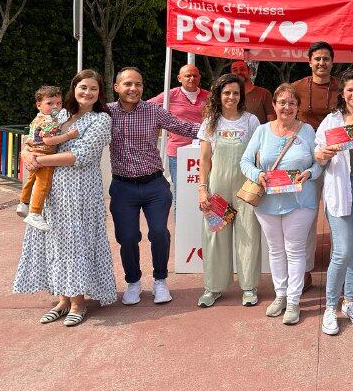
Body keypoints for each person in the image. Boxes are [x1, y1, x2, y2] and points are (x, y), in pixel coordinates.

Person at [14, 70, 116, 326]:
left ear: (100, 93)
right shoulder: (60, 114)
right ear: (74, 88)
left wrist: (39, 160)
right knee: (56, 242)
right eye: (83, 87)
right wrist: (26, 152)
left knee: (76, 243)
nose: (87, 92)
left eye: (93, 88)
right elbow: (34, 137)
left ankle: (78, 302)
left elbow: (80, 156)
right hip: (51, 191)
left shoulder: (101, 119)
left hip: (80, 191)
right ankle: (62, 300)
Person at [108, 67, 200, 306]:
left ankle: (160, 280)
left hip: (154, 186)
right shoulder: (106, 113)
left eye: (138, 84)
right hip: (123, 187)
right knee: (127, 237)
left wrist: (219, 129)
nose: (133, 89)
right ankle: (133, 282)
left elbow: (183, 127)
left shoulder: (153, 110)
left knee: (159, 232)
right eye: (128, 84)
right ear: (116, 87)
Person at [240, 83, 322, 325]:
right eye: (282, 102)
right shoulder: (262, 131)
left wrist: (309, 173)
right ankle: (280, 295)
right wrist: (257, 175)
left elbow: (319, 163)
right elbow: (245, 161)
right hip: (267, 201)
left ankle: (294, 300)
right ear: (274, 105)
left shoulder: (307, 131)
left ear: (298, 107)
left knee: (295, 250)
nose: (287, 107)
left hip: (300, 201)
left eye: (292, 103)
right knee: (275, 250)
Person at [315, 69, 353, 335]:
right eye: (349, 89)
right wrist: (323, 153)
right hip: (340, 188)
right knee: (342, 250)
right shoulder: (331, 120)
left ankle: (349, 302)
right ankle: (330, 307)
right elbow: (317, 154)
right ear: (342, 93)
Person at [196, 74, 262, 308]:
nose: (231, 97)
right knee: (215, 237)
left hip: (245, 188)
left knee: (248, 235)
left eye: (235, 93)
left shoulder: (251, 121)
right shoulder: (210, 122)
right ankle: (212, 287)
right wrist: (203, 189)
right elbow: (205, 160)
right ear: (218, 95)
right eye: (226, 93)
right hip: (218, 188)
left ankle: (249, 287)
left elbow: (257, 156)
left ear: (241, 96)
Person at [291, 41, 340, 290]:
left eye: (326, 59)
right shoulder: (297, 87)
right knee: (306, 216)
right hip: (306, 160)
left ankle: (338, 270)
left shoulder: (343, 87)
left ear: (332, 62)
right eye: (317, 59)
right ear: (309, 62)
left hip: (337, 159)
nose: (321, 63)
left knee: (338, 216)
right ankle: (304, 269)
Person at [17, 85, 79, 231]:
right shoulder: (49, 121)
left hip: (32, 151)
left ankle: (23, 203)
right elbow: (48, 141)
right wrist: (68, 136)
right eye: (50, 103)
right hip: (43, 155)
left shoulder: (38, 117)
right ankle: (35, 213)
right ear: (39, 105)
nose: (55, 107)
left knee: (31, 179)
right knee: (43, 184)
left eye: (59, 103)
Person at [148, 64, 209, 204]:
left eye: (195, 75)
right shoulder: (169, 95)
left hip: (205, 151)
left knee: (205, 190)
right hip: (178, 153)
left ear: (199, 77)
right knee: (180, 193)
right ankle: (179, 219)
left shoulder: (209, 97)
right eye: (187, 75)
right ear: (179, 78)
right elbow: (147, 107)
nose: (191, 78)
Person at [229, 59, 275, 125]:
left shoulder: (263, 94)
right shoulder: (228, 97)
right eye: (235, 70)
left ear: (250, 72)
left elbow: (272, 121)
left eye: (242, 69)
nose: (239, 72)